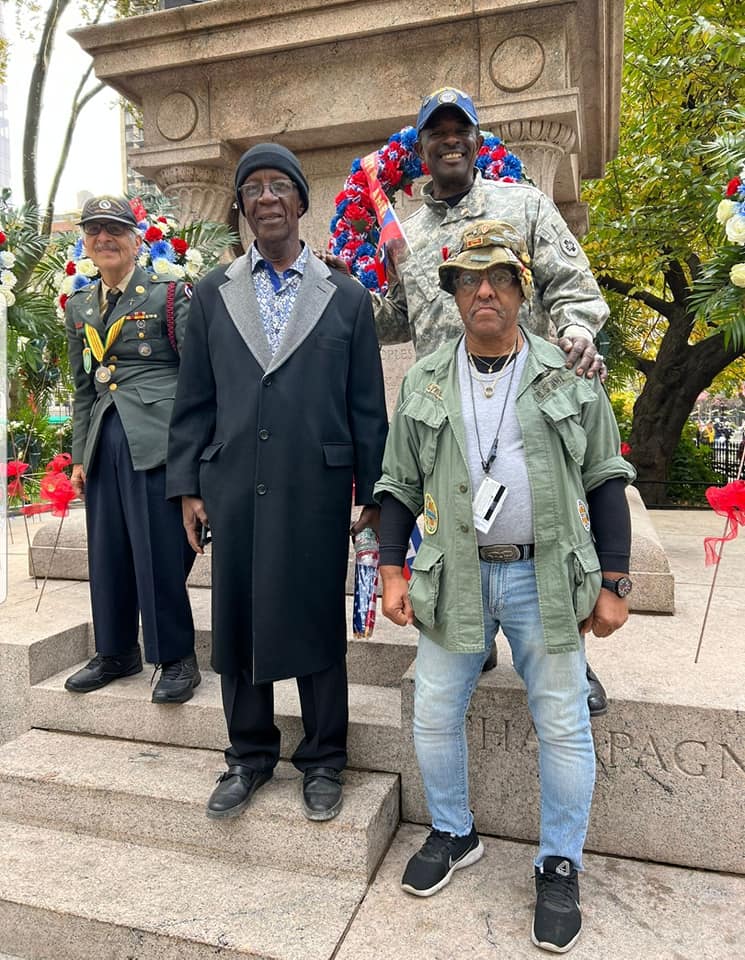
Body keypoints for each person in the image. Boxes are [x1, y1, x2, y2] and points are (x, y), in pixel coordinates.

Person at [374, 221, 635, 953]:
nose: (481, 290)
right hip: (452, 574)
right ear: (453, 294)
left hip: (543, 576)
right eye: (465, 279)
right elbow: (395, 482)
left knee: (560, 720)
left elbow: (606, 477)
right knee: (431, 711)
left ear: (522, 291)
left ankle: (558, 862)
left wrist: (613, 580)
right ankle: (454, 832)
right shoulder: (425, 378)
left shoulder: (564, 373)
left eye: (497, 278)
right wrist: (392, 568)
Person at [166, 144, 388, 822]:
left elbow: (366, 408)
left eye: (278, 187)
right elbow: (194, 399)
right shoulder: (211, 293)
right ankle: (248, 755)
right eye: (252, 188)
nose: (265, 198)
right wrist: (189, 486)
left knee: (317, 625)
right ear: (239, 208)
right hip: (231, 482)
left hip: (315, 490)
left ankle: (323, 760)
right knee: (235, 622)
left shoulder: (346, 296)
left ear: (300, 203)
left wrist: (373, 496)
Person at [373, 86, 612, 714]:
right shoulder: (407, 233)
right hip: (449, 409)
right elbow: (398, 318)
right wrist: (345, 293)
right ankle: (469, 636)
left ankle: (568, 658)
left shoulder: (522, 203)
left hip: (525, 397)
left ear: (476, 142)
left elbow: (571, 284)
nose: (450, 140)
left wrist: (578, 331)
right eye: (436, 132)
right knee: (455, 520)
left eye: (461, 131)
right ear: (421, 148)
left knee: (549, 523)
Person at [64, 196, 199, 703]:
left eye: (114, 230)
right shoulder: (80, 305)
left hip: (156, 439)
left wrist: (195, 454)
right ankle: (116, 651)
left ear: (135, 238)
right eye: (94, 231)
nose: (104, 239)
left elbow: (195, 377)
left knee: (158, 551)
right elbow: (84, 388)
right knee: (109, 551)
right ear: (85, 241)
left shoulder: (166, 293)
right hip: (104, 437)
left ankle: (176, 658)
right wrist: (79, 455)